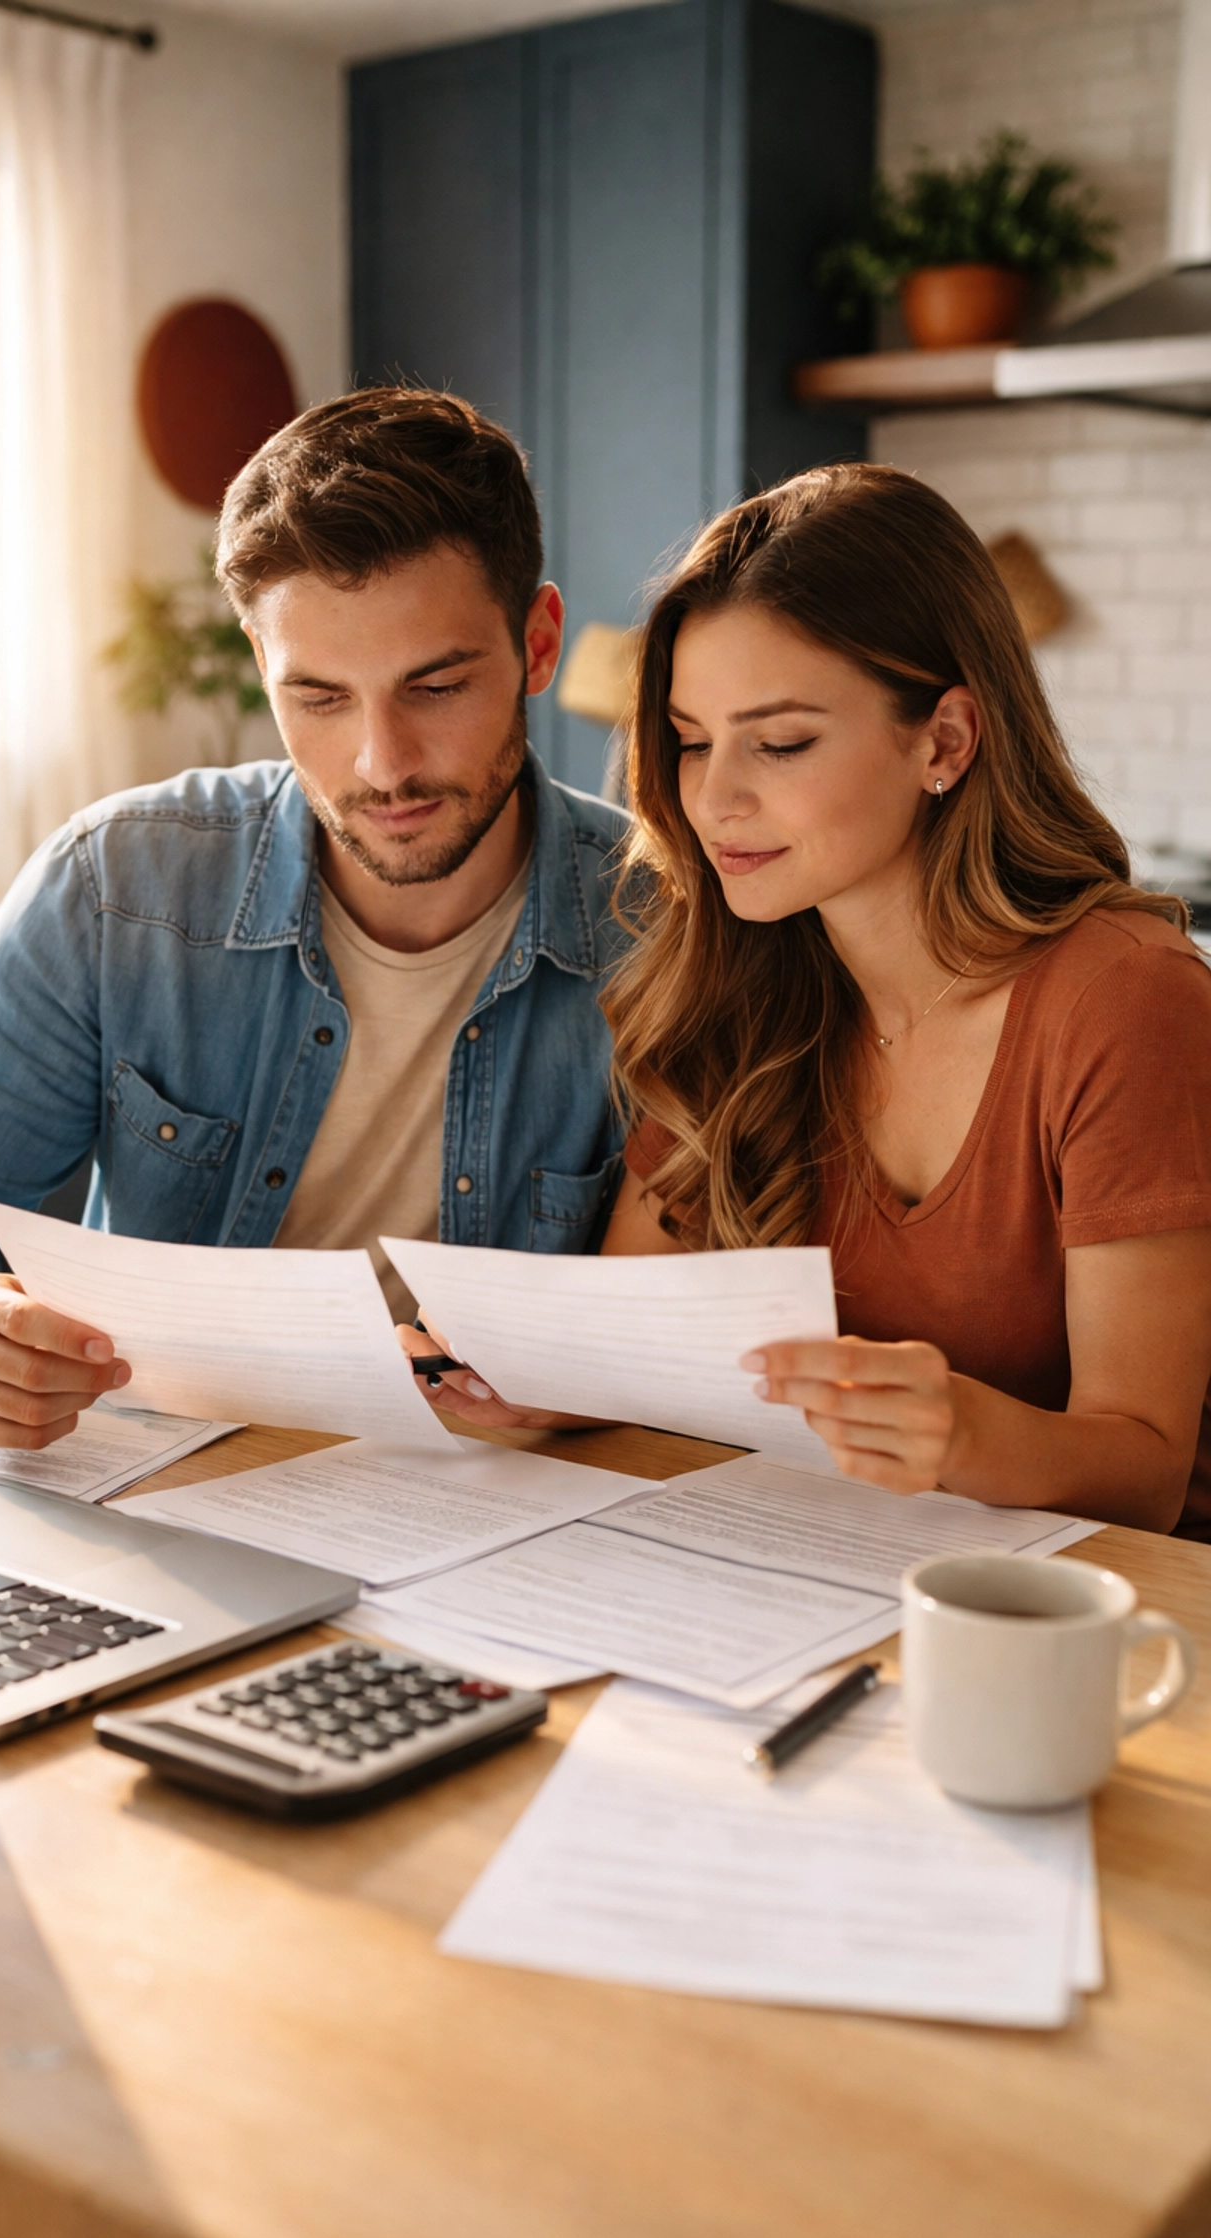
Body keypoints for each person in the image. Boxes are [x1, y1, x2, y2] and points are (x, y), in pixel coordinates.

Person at [0, 388, 630, 1451]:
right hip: (172, 1482)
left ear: (538, 642)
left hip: (507, 1499)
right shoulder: (120, 889)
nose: (382, 764)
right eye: (319, 697)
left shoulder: (662, 925)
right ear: (259, 662)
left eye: (435, 686)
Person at [413, 463, 1211, 1537]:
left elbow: (1148, 1472)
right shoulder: (739, 983)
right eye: (692, 742)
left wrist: (963, 1435)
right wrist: (546, 1385)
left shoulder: (1125, 1001)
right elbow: (629, 1340)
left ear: (945, 741)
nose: (715, 798)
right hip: (825, 1562)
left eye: (781, 743)